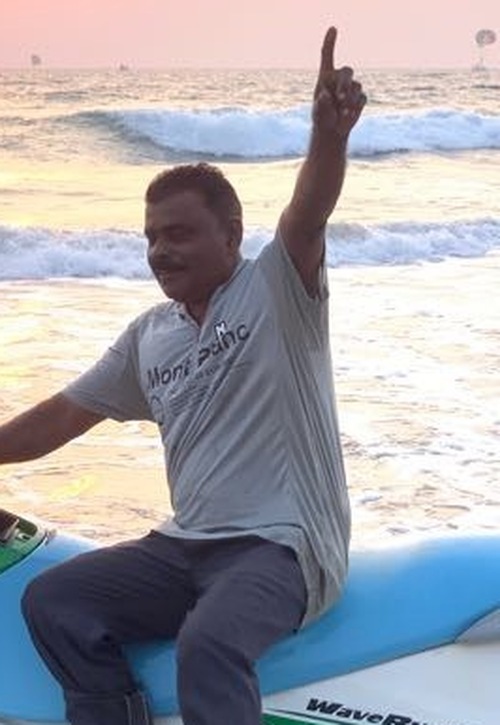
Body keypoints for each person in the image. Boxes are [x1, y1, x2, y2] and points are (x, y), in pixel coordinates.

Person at [0, 26, 365, 725]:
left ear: (232, 234)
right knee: (53, 601)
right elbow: (62, 416)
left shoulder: (276, 290)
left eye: (179, 233)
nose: (159, 251)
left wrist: (328, 136)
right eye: (151, 237)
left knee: (209, 643)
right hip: (184, 545)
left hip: (280, 547)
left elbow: (309, 211)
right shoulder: (150, 335)